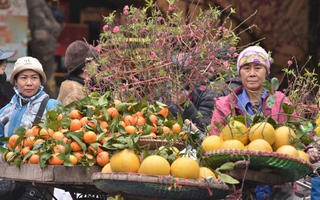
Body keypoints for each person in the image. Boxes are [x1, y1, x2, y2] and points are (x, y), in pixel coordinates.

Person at [208, 45, 302, 200]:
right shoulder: (225, 106)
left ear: (266, 72)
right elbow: (215, 143)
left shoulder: (281, 102)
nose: (252, 73)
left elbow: (295, 138)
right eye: (246, 68)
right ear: (239, 72)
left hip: (276, 185)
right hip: (236, 186)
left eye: (257, 67)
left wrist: (309, 149)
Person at [0, 56, 61, 199]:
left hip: (40, 180)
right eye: (23, 78)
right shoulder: (6, 111)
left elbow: (62, 141)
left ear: (40, 80)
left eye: (34, 77)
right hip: (10, 179)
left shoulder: (52, 106)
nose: (29, 83)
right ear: (15, 81)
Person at [169, 45, 242, 132]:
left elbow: (204, 129)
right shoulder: (232, 82)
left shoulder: (214, 92)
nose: (195, 68)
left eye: (198, 63)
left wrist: (184, 104)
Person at [57, 40, 98, 106]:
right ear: (85, 66)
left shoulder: (80, 86)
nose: (96, 65)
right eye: (93, 61)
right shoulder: (74, 90)